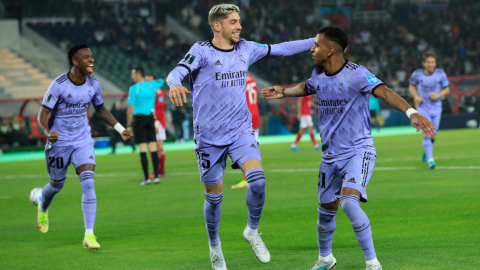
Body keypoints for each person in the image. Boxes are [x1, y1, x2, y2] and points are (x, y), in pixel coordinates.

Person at [262, 27, 435, 270]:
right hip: (330, 156)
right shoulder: (319, 73)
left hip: (358, 151)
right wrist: (284, 91)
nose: (312, 49)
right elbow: (308, 87)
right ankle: (325, 259)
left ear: (330, 50)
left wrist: (411, 112)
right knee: (325, 212)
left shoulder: (357, 74)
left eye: (317, 45)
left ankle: (373, 263)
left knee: (349, 203)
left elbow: (384, 92)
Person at [166, 4, 314, 269]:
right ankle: (214, 246)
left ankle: (252, 231)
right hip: (209, 137)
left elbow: (280, 49)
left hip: (240, 131)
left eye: (239, 21)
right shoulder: (201, 52)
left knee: (257, 182)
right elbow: (177, 71)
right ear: (217, 26)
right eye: (233, 22)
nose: (239, 26)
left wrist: (315, 41)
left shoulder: (246, 48)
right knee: (214, 197)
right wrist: (175, 83)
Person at [36, 44, 133, 249]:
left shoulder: (93, 83)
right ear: (75, 62)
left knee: (88, 182)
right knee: (56, 186)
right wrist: (47, 133)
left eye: (92, 56)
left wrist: (120, 129)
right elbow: (42, 114)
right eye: (86, 57)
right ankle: (42, 206)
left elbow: (100, 109)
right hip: (59, 143)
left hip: (82, 141)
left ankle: (89, 235)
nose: (91, 60)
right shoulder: (59, 84)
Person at [409, 51, 450, 168]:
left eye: (432, 62)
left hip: (436, 108)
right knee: (427, 132)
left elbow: (447, 89)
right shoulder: (417, 74)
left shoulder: (440, 74)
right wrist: (416, 97)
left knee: (433, 134)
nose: (430, 64)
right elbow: (411, 86)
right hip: (423, 108)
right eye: (428, 62)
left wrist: (437, 95)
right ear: (423, 63)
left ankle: (426, 152)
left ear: (435, 63)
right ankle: (431, 160)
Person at [126, 67, 161, 185]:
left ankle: (146, 178)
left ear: (138, 74)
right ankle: (156, 176)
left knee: (142, 149)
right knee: (153, 148)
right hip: (150, 118)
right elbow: (163, 80)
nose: (131, 77)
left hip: (139, 120)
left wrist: (128, 125)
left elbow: (130, 109)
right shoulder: (152, 85)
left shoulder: (133, 89)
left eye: (133, 74)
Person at [232, 74, 259, 189]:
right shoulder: (252, 78)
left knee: (243, 148)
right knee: (252, 145)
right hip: (255, 113)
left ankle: (246, 179)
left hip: (245, 115)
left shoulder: (237, 79)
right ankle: (255, 174)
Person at [146, 74, 167, 178]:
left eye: (150, 81)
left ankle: (161, 171)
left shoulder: (158, 91)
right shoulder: (147, 92)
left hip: (158, 122)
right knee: (151, 147)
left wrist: (157, 122)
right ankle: (157, 170)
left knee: (158, 146)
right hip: (149, 121)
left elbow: (160, 108)